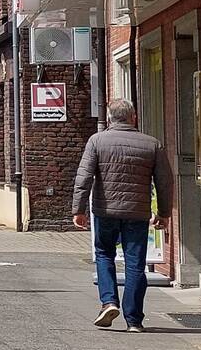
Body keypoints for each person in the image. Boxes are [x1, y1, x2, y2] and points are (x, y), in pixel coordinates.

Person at [72, 99, 173, 331]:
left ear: (109, 118)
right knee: (135, 263)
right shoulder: (152, 144)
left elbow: (84, 177)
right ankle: (134, 320)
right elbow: (165, 182)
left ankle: (109, 302)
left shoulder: (97, 141)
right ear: (133, 117)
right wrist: (164, 212)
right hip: (137, 212)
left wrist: (78, 209)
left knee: (104, 254)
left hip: (105, 210)